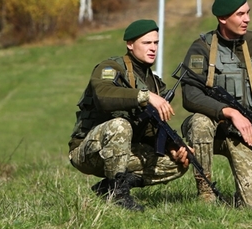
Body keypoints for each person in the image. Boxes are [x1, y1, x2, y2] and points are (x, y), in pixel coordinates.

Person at [180, 0, 252, 207]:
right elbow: (190, 95)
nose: (247, 19)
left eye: (248, 12)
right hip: (212, 131)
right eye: (240, 14)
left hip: (244, 135)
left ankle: (238, 197)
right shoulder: (202, 48)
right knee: (200, 122)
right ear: (223, 18)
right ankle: (206, 192)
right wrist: (229, 112)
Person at [68, 19, 191, 212]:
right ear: (130, 44)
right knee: (120, 125)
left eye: (156, 43)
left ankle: (108, 188)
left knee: (176, 164)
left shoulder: (155, 84)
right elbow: (103, 95)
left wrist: (174, 147)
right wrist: (144, 96)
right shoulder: (110, 68)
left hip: (124, 151)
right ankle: (119, 195)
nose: (153, 48)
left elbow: (152, 129)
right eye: (146, 43)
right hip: (90, 150)